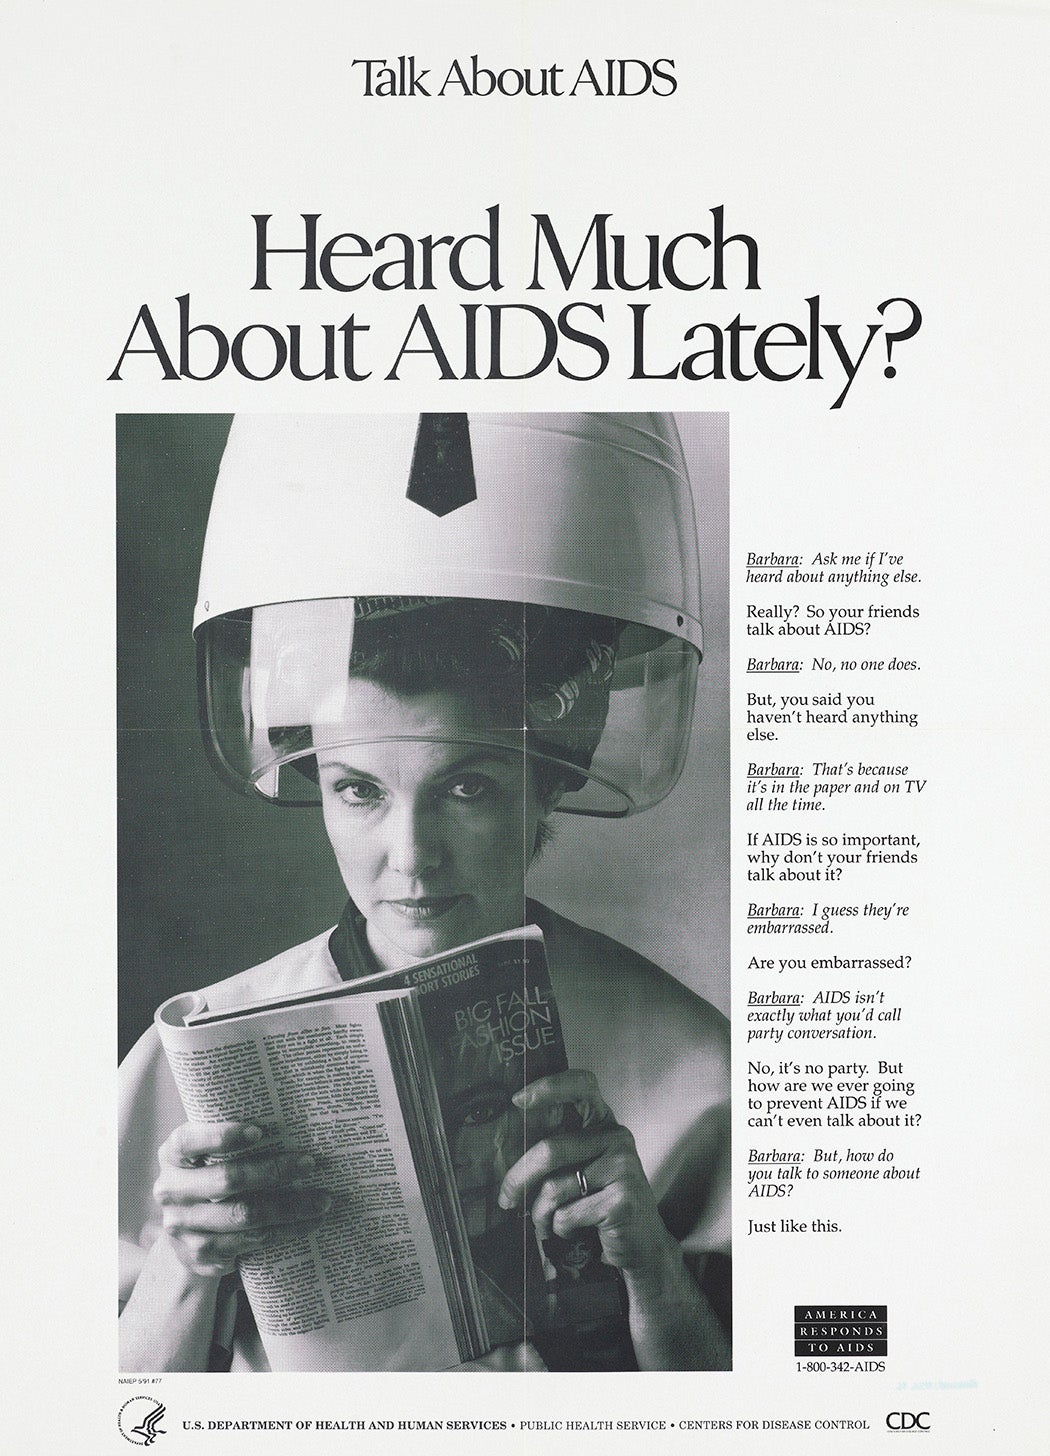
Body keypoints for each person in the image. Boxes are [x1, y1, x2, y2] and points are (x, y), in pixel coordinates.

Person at [118, 414, 730, 1372]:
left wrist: (653, 1274)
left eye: (468, 788)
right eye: (359, 790)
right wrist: (185, 1272)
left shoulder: (699, 1075)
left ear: (544, 793)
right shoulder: (189, 1059)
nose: (410, 857)